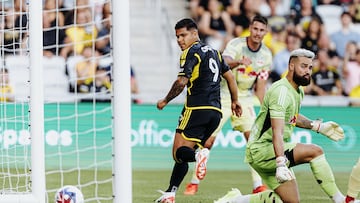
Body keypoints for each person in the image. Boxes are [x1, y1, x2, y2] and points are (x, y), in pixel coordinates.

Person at [214, 48, 347, 203]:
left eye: (310, 67)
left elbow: (291, 118)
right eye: (303, 66)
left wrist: (318, 127)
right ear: (291, 66)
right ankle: (340, 200)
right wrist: (280, 162)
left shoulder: (297, 91)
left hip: (272, 150)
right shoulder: (281, 92)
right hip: (262, 149)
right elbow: (277, 131)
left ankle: (235, 201)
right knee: (315, 151)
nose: (308, 71)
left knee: (290, 201)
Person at [154, 18, 242, 203]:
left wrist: (165, 100)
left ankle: (199, 155)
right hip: (215, 112)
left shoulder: (190, 52)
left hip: (196, 108)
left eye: (183, 35)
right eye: (177, 36)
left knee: (178, 153)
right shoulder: (215, 53)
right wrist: (235, 101)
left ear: (195, 34)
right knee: (183, 155)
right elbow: (230, 78)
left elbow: (182, 81)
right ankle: (170, 193)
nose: (179, 40)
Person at [184, 14, 272, 196]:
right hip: (223, 95)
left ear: (266, 32)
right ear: (250, 28)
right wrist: (239, 61)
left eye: (261, 30)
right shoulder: (236, 45)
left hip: (246, 98)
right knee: (208, 141)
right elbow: (222, 63)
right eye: (255, 29)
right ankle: (193, 183)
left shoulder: (266, 55)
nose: (257, 33)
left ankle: (257, 185)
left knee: (253, 142)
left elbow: (260, 87)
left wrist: (265, 110)